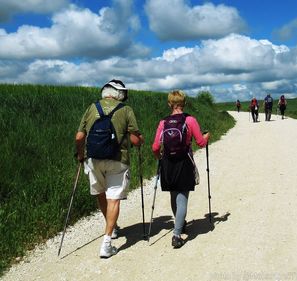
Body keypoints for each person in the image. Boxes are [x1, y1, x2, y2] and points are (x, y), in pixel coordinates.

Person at [75, 79, 145, 258]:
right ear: (120, 94)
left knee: (101, 194)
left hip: (93, 159)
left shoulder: (92, 108)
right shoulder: (126, 110)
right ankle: (107, 242)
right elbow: (136, 140)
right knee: (113, 198)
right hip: (117, 159)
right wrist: (140, 140)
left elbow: (79, 136)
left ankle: (111, 229)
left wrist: (80, 155)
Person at [152, 90, 210, 249]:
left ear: (169, 104)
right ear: (184, 103)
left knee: (173, 194)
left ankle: (180, 223)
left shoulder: (163, 122)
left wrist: (159, 158)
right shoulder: (190, 120)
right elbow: (200, 143)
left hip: (167, 163)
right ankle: (177, 235)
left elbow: (155, 146)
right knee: (182, 198)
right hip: (184, 162)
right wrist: (207, 136)